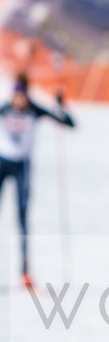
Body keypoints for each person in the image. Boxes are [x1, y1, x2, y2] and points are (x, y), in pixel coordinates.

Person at [0, 73, 75, 288]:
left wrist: (60, 106)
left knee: (23, 219)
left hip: (22, 168)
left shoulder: (34, 110)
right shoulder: (4, 109)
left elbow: (68, 123)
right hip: (2, 164)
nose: (19, 101)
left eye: (22, 97)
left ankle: (25, 272)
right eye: (16, 96)